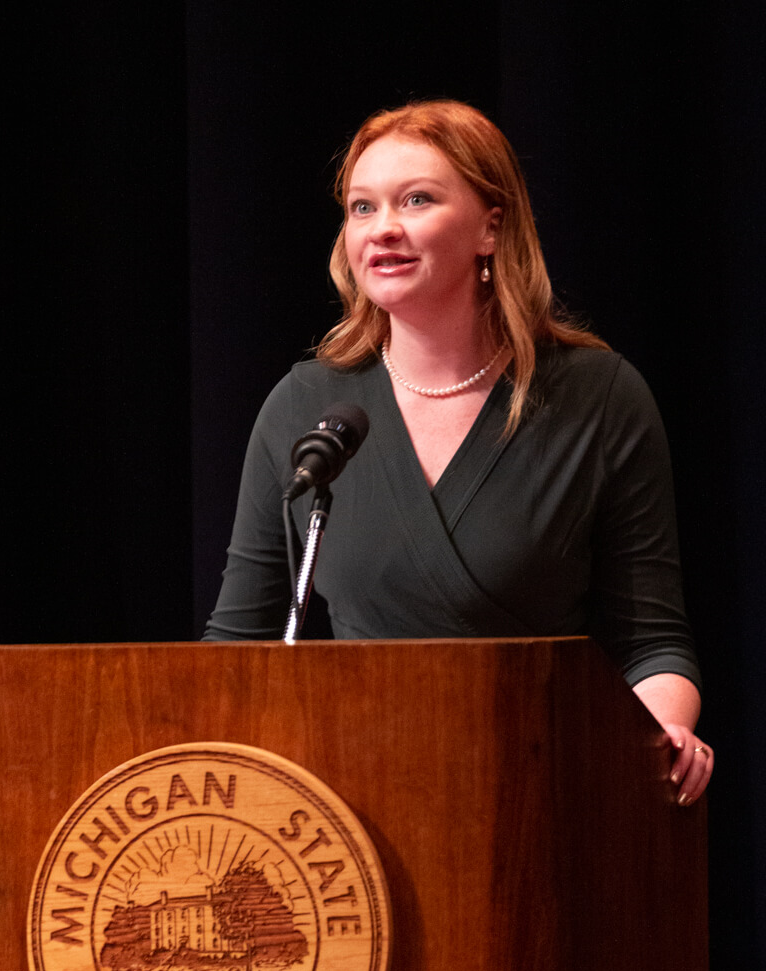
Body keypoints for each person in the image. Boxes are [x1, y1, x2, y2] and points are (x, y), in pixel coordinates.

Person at [204, 99, 714, 805]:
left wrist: (660, 738)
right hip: (350, 809)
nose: (383, 228)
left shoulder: (597, 397)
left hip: (544, 794)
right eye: (362, 207)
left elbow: (653, 641)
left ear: (490, 225)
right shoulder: (305, 407)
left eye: (416, 200)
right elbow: (237, 644)